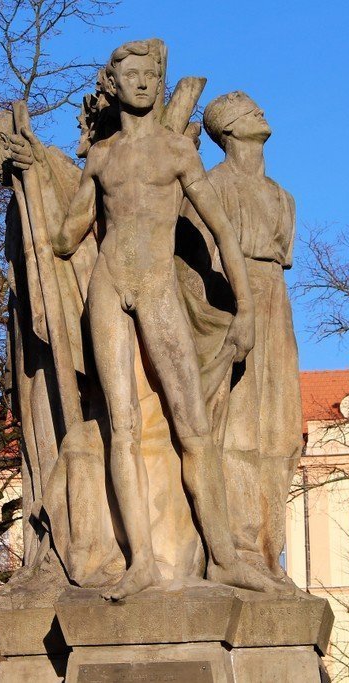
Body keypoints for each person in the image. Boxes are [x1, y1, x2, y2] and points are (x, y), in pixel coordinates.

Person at [52, 40, 284, 600]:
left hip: (156, 286)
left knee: (192, 425)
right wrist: (47, 182)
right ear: (116, 83)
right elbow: (65, 236)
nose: (141, 84)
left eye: (149, 76)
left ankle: (224, 558)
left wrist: (246, 310)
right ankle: (141, 565)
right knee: (122, 428)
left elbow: (222, 233)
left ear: (159, 82)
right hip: (109, 287)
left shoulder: (179, 153)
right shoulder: (101, 157)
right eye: (129, 75)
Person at [200, 92, 303, 581]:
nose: (261, 111)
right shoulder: (212, 185)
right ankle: (236, 549)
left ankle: (268, 551)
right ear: (227, 128)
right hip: (227, 298)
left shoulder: (284, 197)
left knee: (279, 430)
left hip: (274, 302)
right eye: (248, 108)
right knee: (237, 428)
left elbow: (280, 255)